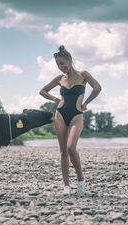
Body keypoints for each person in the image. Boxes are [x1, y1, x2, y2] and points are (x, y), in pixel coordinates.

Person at [40, 45, 102, 196]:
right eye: (58, 65)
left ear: (69, 60)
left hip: (76, 114)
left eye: (62, 63)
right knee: (63, 152)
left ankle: (81, 180)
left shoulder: (83, 75)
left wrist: (86, 102)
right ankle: (66, 186)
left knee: (70, 147)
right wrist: (55, 99)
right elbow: (42, 91)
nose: (61, 67)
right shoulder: (60, 79)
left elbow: (97, 88)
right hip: (60, 114)